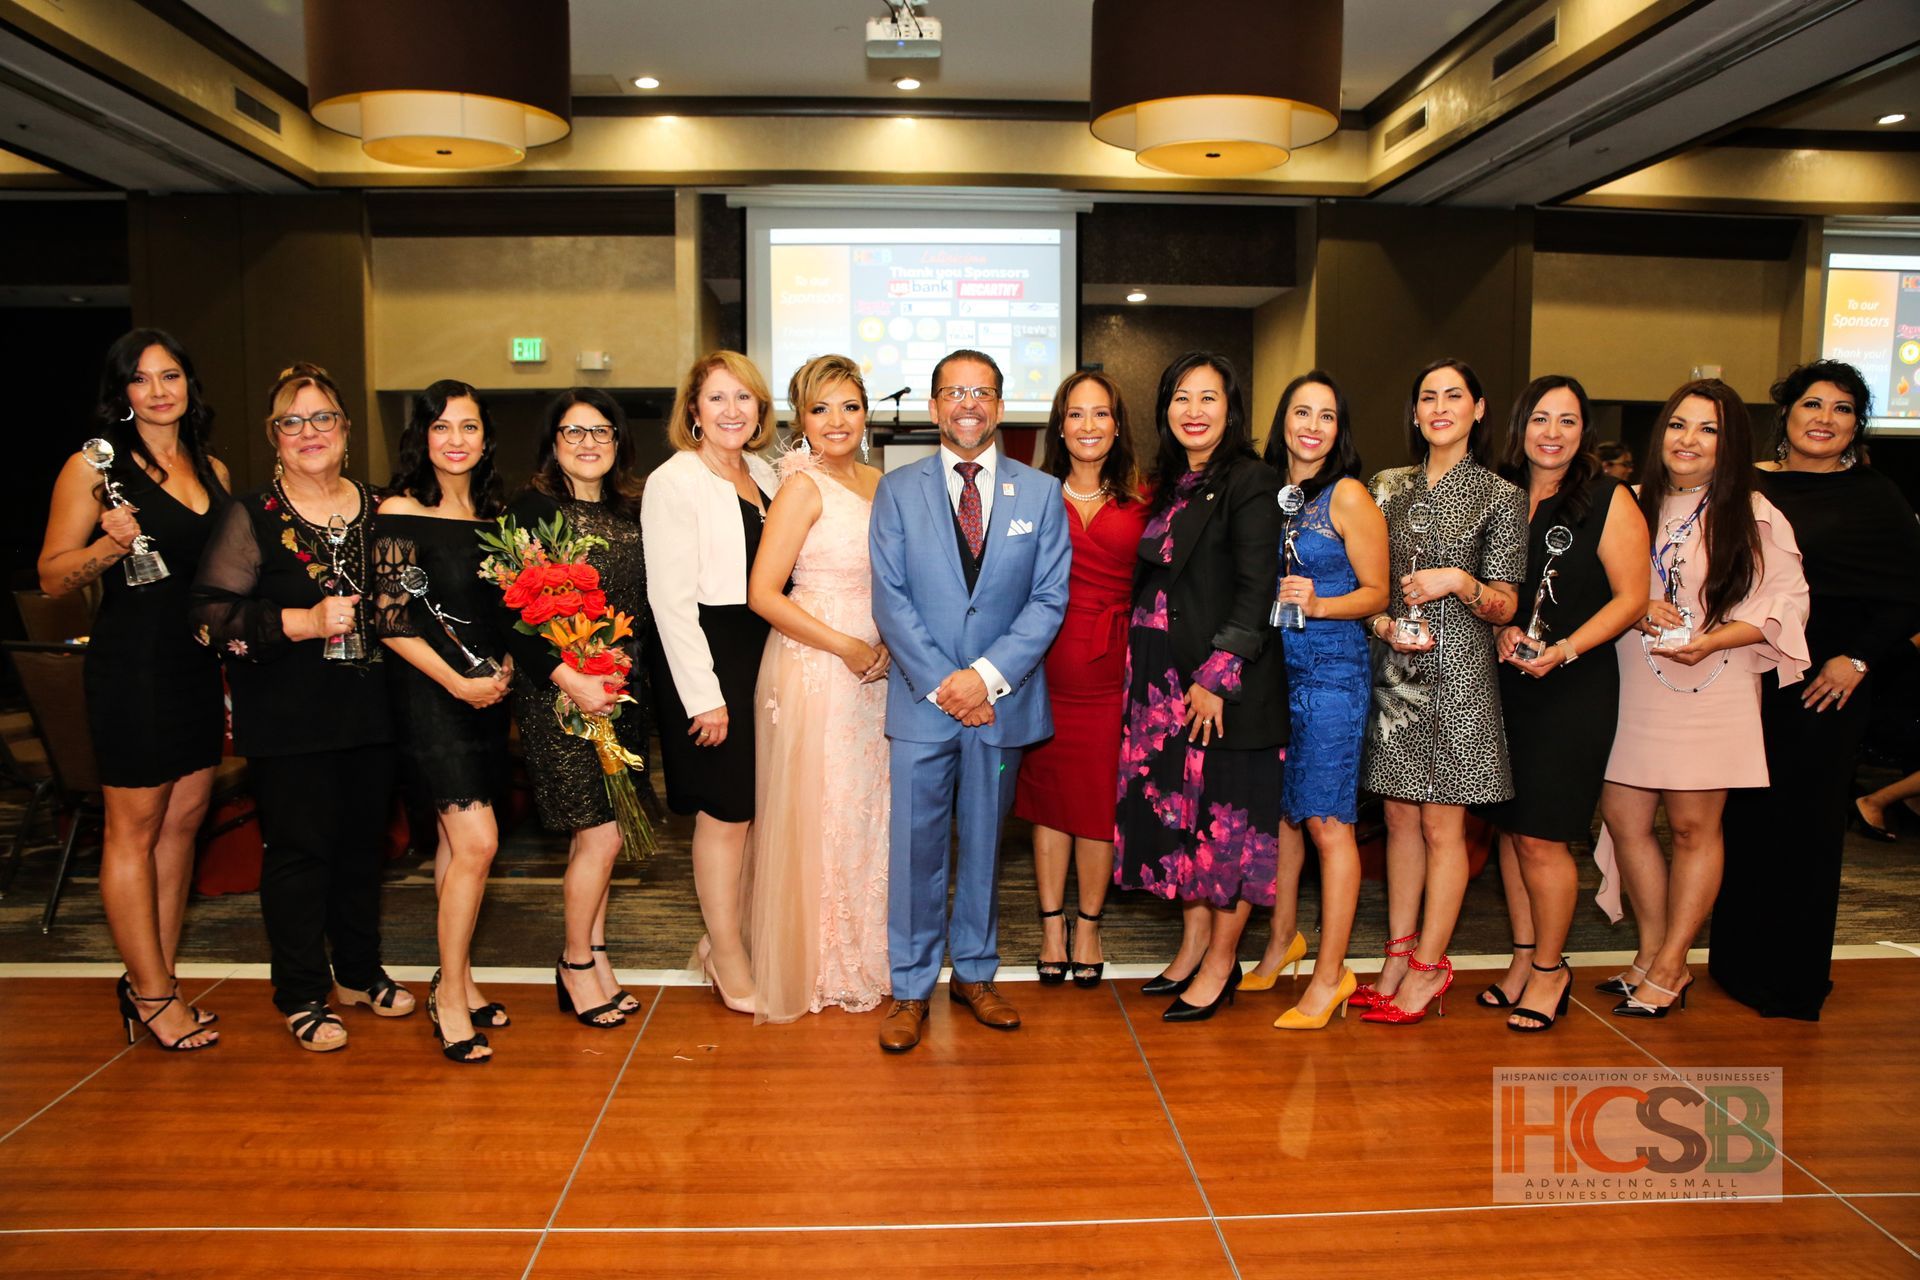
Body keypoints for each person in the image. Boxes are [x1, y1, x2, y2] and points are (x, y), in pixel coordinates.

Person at [190, 362, 409, 1053]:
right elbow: (208, 618)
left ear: (345, 429)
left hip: (374, 711)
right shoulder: (250, 514)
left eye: (322, 419)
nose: (309, 432)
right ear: (274, 437)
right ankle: (302, 992)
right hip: (289, 716)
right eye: (293, 422)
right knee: (298, 853)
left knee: (362, 849)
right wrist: (301, 623)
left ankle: (360, 969)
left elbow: (406, 612)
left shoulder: (384, 508)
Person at [869, 349, 1070, 1052]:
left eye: (982, 392)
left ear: (1000, 404)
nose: (969, 404)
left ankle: (976, 974)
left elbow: (1049, 600)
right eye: (955, 392)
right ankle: (911, 986)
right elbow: (890, 600)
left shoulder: (1041, 494)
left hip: (1000, 705)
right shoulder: (896, 492)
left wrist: (984, 678)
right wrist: (947, 684)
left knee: (985, 846)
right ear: (933, 408)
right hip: (924, 704)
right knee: (917, 849)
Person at [37, 329, 230, 1052]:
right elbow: (54, 576)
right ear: (121, 393)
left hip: (193, 665)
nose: (158, 391)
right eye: (142, 379)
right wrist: (109, 545)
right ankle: (149, 994)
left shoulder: (210, 465)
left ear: (188, 385)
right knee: (134, 829)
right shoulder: (93, 469)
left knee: (183, 824)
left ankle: (160, 980)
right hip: (132, 666)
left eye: (170, 375)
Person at [1596, 378, 1809, 1018]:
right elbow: (1596, 589)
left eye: (1708, 429)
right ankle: (1652, 949)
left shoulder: (1755, 512)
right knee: (1624, 819)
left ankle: (1670, 964)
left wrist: (1718, 638)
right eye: (1679, 425)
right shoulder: (1627, 504)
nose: (1688, 440)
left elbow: (1788, 602)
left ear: (1731, 443)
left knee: (1693, 827)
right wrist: (1632, 609)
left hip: (1713, 682)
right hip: (1633, 682)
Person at [1715, 361, 1920, 1019]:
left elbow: (1907, 595)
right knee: (1740, 824)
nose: (1824, 419)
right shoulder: (1743, 485)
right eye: (1812, 404)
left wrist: (1856, 660)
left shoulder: (1875, 496)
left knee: (1804, 830)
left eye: (1841, 409)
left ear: (1857, 425)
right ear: (1788, 416)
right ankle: (1736, 964)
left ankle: (1790, 978)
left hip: (1824, 687)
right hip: (1743, 677)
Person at [1114, 352, 1288, 1024]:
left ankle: (1223, 963)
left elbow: (1257, 588)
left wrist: (1218, 676)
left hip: (1220, 690)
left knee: (1226, 831)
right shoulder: (1169, 485)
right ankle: (1191, 948)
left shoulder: (1252, 480)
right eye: (1181, 398)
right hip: (1160, 688)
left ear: (1231, 408)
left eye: (1208, 398)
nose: (1194, 411)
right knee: (1183, 827)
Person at [1474, 376, 1649, 1032]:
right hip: (1508, 687)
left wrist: (1566, 649)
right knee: (1512, 837)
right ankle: (1523, 960)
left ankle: (1551, 970)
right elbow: (1494, 593)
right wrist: (1499, 631)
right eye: (1541, 418)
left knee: (1545, 839)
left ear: (1585, 432)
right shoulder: (1502, 498)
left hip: (1572, 688)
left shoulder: (1607, 499)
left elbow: (1632, 598)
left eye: (1568, 421)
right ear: (1520, 427)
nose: (1553, 432)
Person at [1356, 358, 1527, 1026]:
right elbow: (1365, 587)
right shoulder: (1386, 486)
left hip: (1460, 674)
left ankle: (1430, 965)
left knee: (1441, 822)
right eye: (1428, 396)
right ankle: (1397, 954)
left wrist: (1459, 579)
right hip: (1397, 671)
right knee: (1397, 817)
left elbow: (1506, 602)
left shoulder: (1499, 494)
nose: (1440, 407)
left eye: (1454, 396)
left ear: (1479, 409)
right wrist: (1381, 623)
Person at [741, 355, 891, 1023]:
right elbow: (762, 594)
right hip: (816, 664)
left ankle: (865, 951)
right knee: (821, 808)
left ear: (866, 414)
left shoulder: (878, 481)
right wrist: (849, 646)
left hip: (875, 671)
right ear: (800, 418)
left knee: (864, 810)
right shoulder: (801, 487)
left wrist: (885, 645)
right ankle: (818, 959)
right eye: (820, 408)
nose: (836, 422)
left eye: (849, 407)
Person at [371, 379, 514, 1062]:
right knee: (478, 842)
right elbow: (391, 621)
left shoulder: (494, 514)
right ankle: (449, 998)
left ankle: (459, 975)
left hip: (488, 695)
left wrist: (504, 668)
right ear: (421, 437)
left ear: (486, 438)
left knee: (460, 850)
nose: (456, 440)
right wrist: (459, 682)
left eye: (470, 427)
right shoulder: (399, 509)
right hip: (432, 695)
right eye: (442, 427)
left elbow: (504, 609)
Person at [504, 388, 650, 1030]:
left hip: (621, 691)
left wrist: (616, 674)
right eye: (573, 433)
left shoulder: (632, 511)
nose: (588, 443)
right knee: (598, 831)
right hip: (559, 694)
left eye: (601, 432)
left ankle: (595, 954)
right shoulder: (532, 513)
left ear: (618, 442)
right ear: (552, 443)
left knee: (608, 836)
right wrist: (572, 677)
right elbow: (511, 617)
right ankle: (573, 962)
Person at [1245, 371, 1387, 1029]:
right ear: (1284, 421)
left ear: (1339, 429)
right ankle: (1282, 942)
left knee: (1330, 822)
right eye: (1302, 412)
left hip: (1331, 673)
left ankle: (1331, 975)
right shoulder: (1273, 492)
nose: (1312, 425)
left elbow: (1378, 593)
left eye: (1326, 416)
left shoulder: (1348, 495)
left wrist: (1321, 603)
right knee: (1286, 813)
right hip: (1278, 671)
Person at [642, 352, 779, 1014]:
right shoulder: (675, 481)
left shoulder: (766, 473)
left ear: (759, 409)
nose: (732, 410)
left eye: (744, 398)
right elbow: (669, 602)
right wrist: (705, 697)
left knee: (757, 813)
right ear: (693, 410)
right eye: (717, 398)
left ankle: (721, 939)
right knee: (726, 814)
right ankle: (726, 956)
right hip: (710, 658)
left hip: (765, 652)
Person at [1012, 370, 1146, 988]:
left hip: (1115, 668)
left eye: (1100, 414)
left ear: (1117, 425)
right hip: (1043, 664)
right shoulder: (1031, 495)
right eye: (1075, 414)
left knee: (1097, 801)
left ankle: (1088, 924)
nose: (1088, 426)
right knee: (1048, 800)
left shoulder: (1145, 501)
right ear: (1058, 426)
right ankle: (1050, 926)